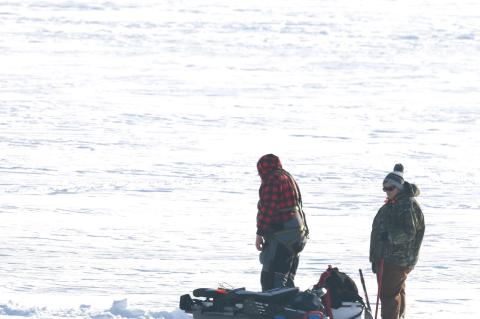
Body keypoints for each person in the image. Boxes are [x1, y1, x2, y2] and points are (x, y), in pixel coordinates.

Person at [369, 164, 425, 319]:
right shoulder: (396, 203)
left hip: (397, 259)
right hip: (389, 258)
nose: (387, 191)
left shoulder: (405, 204)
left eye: (390, 188)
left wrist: (389, 236)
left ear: (399, 188)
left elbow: (409, 232)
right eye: (384, 188)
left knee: (388, 296)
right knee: (396, 293)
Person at [255, 154, 309, 291]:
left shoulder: (272, 180)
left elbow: (268, 208)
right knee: (286, 276)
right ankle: (290, 306)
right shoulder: (287, 177)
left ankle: (272, 308)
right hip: (297, 232)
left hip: (282, 234)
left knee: (271, 276)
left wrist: (260, 232)